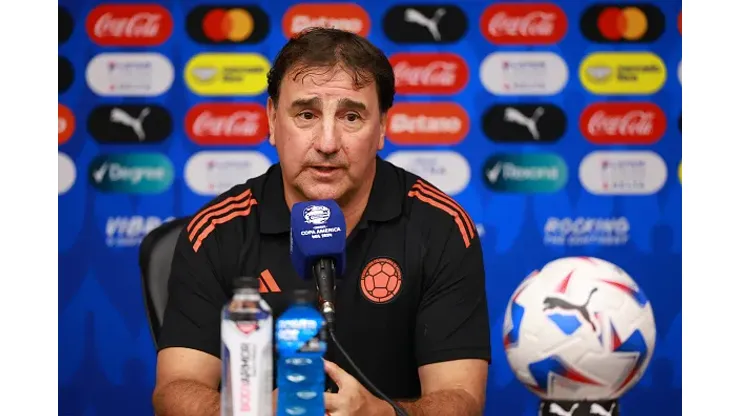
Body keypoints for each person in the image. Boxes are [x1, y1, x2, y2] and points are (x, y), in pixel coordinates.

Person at [152, 27, 491, 416]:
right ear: (271, 119)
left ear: (382, 127)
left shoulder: (441, 226)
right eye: (307, 114)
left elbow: (462, 400)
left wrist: (382, 414)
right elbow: (175, 390)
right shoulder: (216, 231)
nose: (328, 143)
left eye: (351, 116)